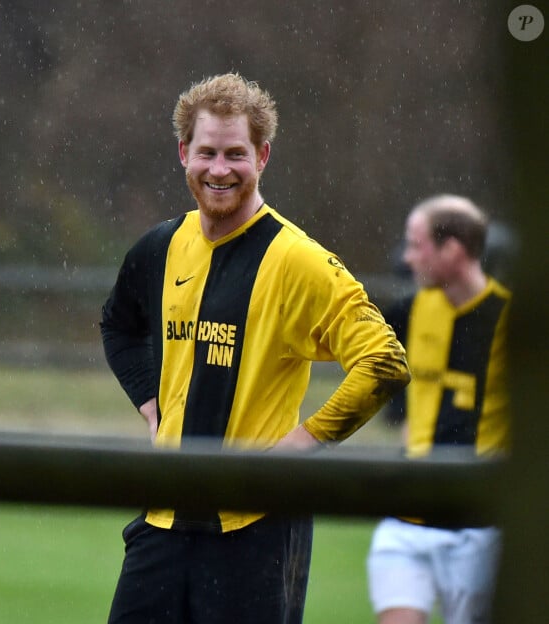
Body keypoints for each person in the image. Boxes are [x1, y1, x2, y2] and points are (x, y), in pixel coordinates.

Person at [100, 72, 410, 624]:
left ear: (263, 156)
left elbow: (384, 362)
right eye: (208, 153)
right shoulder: (159, 246)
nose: (220, 170)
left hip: (258, 530)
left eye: (236, 154)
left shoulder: (298, 261)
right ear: (183, 154)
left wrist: (299, 446)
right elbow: (119, 326)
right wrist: (154, 408)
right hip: (163, 524)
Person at [367, 195, 512, 624]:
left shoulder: (514, 321)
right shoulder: (408, 313)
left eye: (416, 245)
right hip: (407, 518)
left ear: (452, 251)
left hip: (479, 527)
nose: (408, 258)